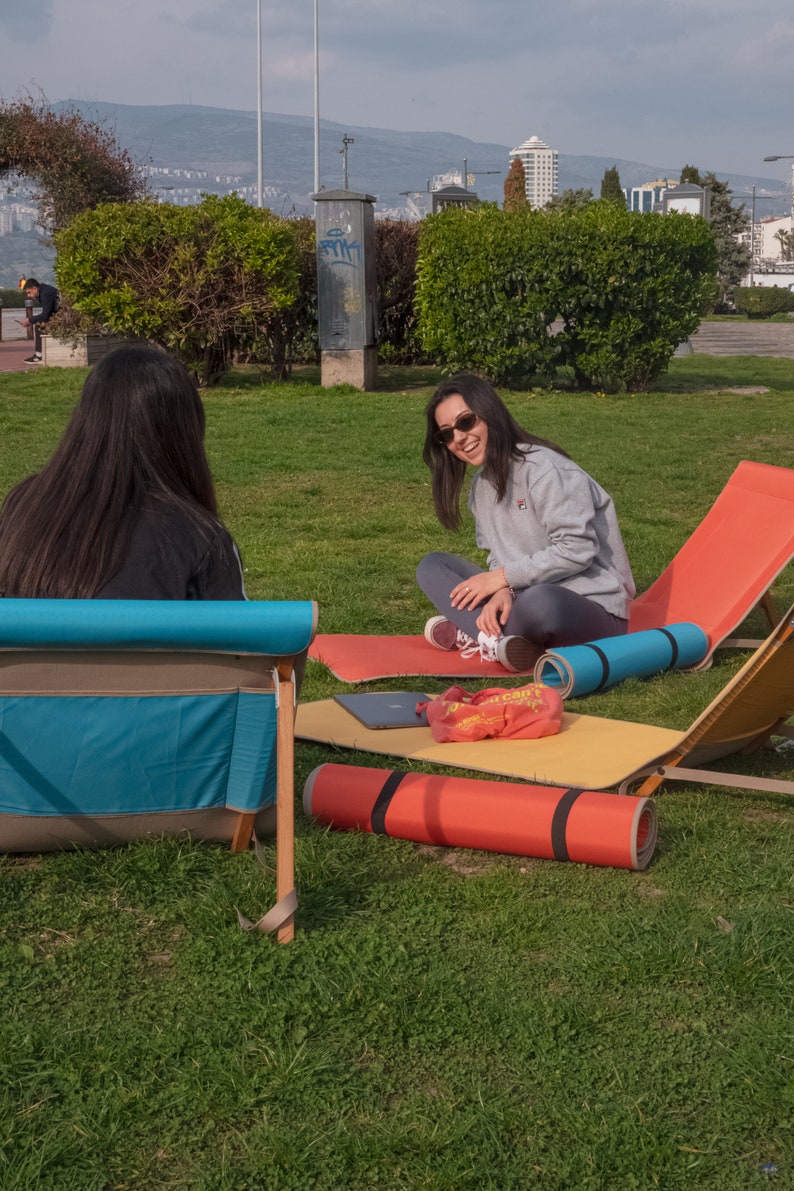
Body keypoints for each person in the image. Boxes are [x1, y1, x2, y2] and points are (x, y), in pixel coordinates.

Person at [417, 374, 635, 672]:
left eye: (466, 422)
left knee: (541, 602)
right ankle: (501, 642)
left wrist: (504, 580)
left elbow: (577, 550)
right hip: (522, 594)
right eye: (446, 434)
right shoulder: (480, 488)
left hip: (590, 607)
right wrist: (503, 590)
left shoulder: (545, 469)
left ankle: (477, 634)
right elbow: (497, 556)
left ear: (489, 413)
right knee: (433, 567)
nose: (459, 439)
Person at [0, 346, 246, 600]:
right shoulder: (199, 535)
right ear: (185, 433)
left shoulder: (22, 506)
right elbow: (238, 635)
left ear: (88, 419)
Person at [18, 277, 60, 363]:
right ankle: (40, 353)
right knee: (39, 324)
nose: (28, 296)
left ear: (35, 289)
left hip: (63, 318)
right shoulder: (44, 291)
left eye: (29, 292)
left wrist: (29, 320)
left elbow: (45, 315)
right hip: (60, 316)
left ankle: (39, 355)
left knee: (39, 325)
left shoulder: (45, 293)